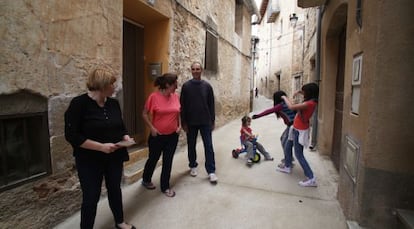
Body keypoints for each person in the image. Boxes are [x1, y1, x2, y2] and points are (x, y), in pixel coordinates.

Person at [64, 66, 136, 229]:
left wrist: (125, 137)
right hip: (89, 160)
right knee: (91, 196)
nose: (115, 87)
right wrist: (100, 147)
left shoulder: (113, 104)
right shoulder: (79, 104)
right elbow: (72, 136)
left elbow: (120, 126)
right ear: (102, 85)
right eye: (112, 84)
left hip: (114, 157)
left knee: (115, 190)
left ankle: (120, 222)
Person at [141, 73, 181, 197]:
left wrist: (179, 125)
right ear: (168, 84)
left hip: (172, 136)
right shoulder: (154, 97)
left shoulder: (176, 96)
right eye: (175, 84)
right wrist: (151, 128)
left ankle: (165, 187)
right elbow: (144, 114)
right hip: (157, 136)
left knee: (168, 161)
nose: (177, 86)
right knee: (153, 159)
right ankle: (146, 179)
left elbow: (177, 112)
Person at [180, 62, 218, 184]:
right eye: (193, 69)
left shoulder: (207, 86)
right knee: (191, 145)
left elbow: (211, 105)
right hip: (191, 122)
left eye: (198, 69)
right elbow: (183, 106)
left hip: (205, 122)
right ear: (191, 70)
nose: (195, 71)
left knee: (209, 146)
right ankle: (193, 165)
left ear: (201, 70)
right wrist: (183, 122)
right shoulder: (186, 86)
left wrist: (212, 121)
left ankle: (211, 171)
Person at [276, 83, 319, 187]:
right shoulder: (310, 100)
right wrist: (298, 92)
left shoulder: (309, 103)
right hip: (294, 128)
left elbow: (291, 107)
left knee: (299, 155)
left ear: (309, 92)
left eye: (304, 91)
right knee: (287, 146)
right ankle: (287, 166)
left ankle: (311, 177)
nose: (302, 93)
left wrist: (284, 97)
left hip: (299, 130)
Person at [252, 91, 297, 168]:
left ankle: (288, 162)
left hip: (292, 126)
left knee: (285, 143)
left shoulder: (281, 106)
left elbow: (269, 111)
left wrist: (258, 115)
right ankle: (289, 159)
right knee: (283, 139)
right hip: (292, 125)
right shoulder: (286, 103)